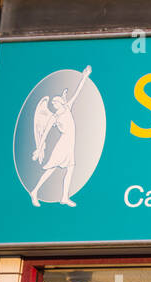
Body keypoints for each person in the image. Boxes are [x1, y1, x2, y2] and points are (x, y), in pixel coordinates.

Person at [30, 65, 92, 208]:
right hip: (63, 144)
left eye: (56, 102)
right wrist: (39, 149)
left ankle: (64, 197)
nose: (55, 104)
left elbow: (77, 92)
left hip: (70, 143)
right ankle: (34, 191)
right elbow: (45, 134)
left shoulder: (67, 107)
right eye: (54, 103)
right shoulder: (54, 117)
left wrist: (84, 76)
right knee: (51, 169)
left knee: (70, 168)